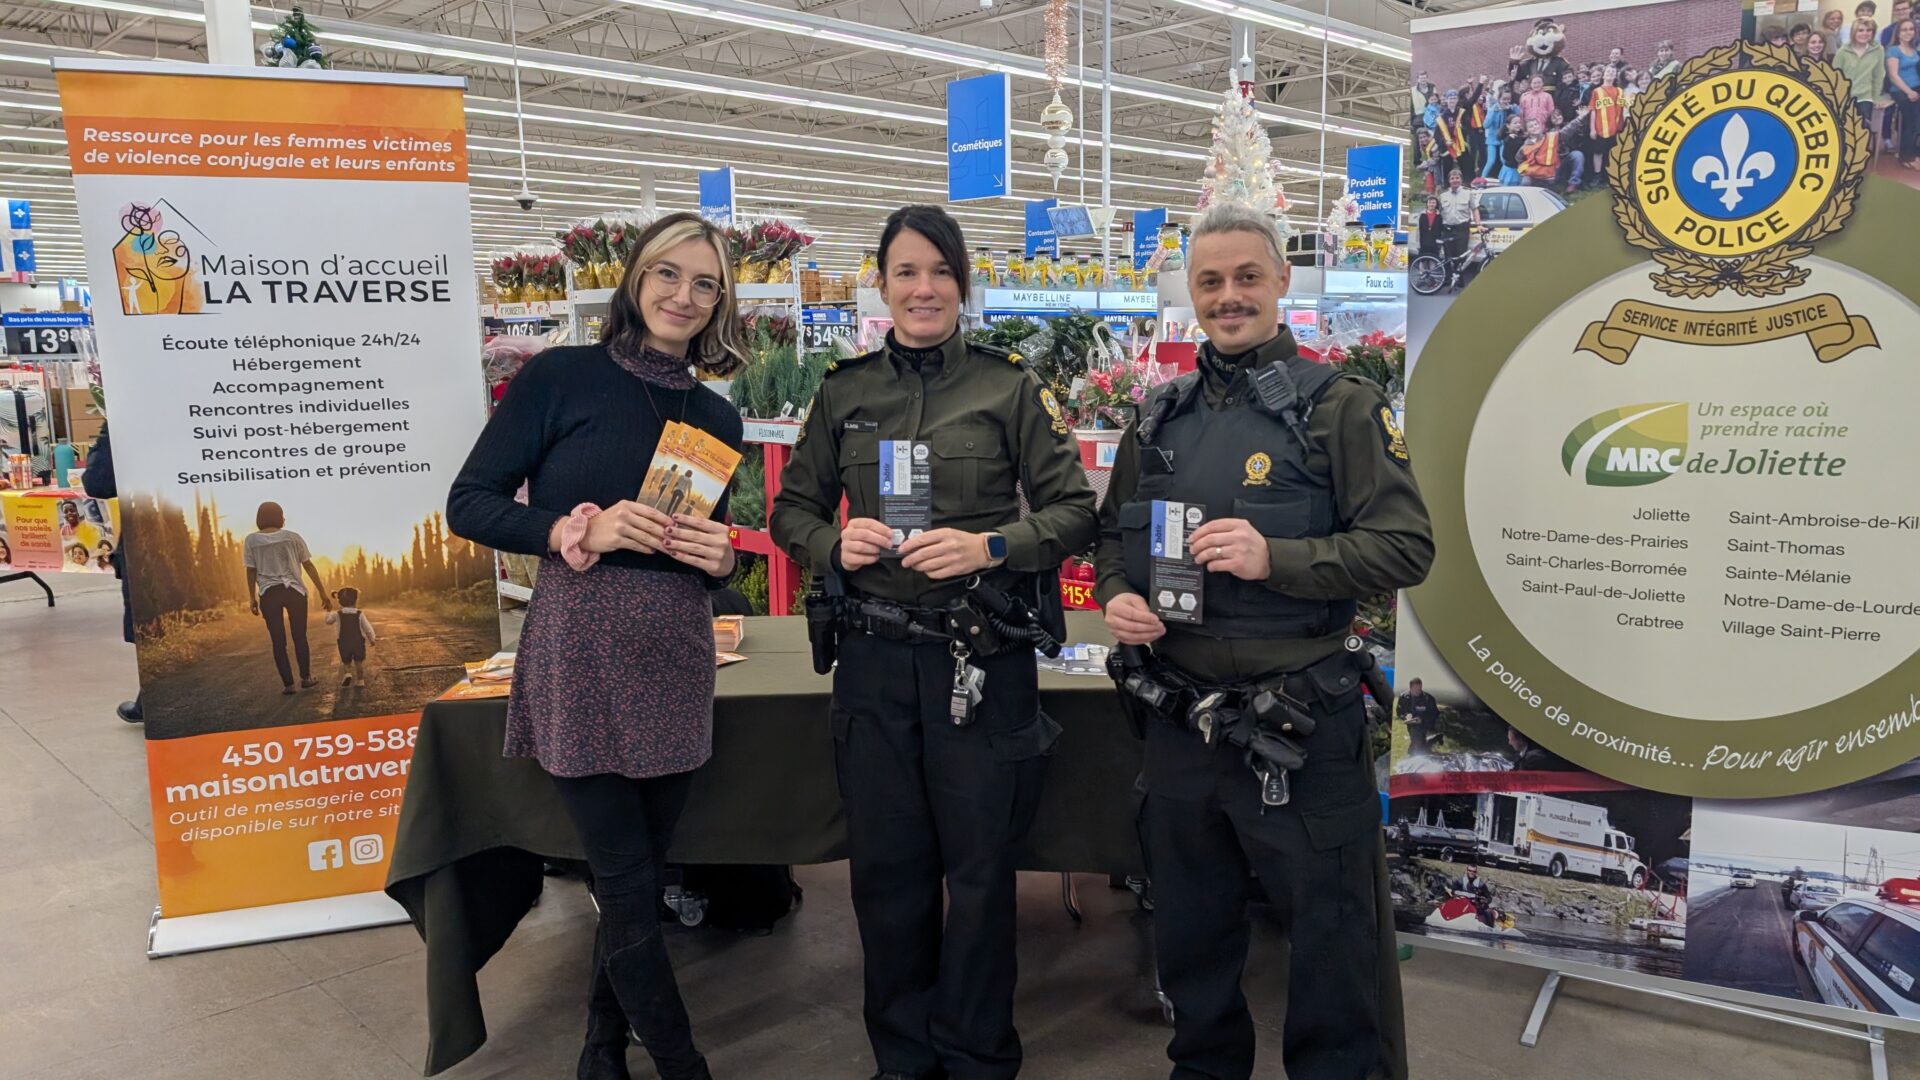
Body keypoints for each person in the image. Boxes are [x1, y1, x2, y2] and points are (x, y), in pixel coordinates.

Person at [1096, 203, 1432, 1080]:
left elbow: (1405, 547)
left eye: (1248, 276)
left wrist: (1272, 556)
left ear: (1284, 280)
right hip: (1180, 727)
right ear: (1191, 293)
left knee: (1330, 952)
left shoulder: (1340, 409)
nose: (1229, 296)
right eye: (1211, 281)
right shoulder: (1157, 417)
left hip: (1300, 730)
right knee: (1192, 940)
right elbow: (1108, 538)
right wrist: (1121, 594)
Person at [771, 204, 1097, 1080]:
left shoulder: (1010, 387)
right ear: (880, 285)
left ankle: (981, 1054)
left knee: (984, 877)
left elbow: (1074, 511)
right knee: (888, 876)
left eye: (941, 272)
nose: (924, 288)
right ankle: (904, 1059)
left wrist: (992, 545)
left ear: (963, 284)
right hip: (874, 666)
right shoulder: (844, 392)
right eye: (906, 272)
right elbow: (791, 508)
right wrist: (828, 543)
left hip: (981, 659)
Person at [448, 212, 746, 1080]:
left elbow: (706, 548)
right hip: (579, 656)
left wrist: (722, 554)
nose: (682, 296)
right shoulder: (561, 378)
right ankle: (684, 1064)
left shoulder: (716, 416)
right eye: (667, 274)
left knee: (641, 878)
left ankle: (601, 1044)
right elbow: (470, 503)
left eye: (703, 283)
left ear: (720, 300)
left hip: (676, 659)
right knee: (621, 877)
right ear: (633, 278)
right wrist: (574, 528)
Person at [81, 420, 141, 723]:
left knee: (152, 617)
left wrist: (109, 431)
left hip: (151, 531)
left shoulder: (128, 410)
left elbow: (99, 481)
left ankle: (156, 700)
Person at [244, 501, 332, 695]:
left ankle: (289, 685)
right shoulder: (293, 537)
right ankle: (306, 678)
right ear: (280, 517)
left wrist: (252, 598)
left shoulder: (251, 540)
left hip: (269, 592)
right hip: (295, 591)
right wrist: (323, 592)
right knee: (299, 636)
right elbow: (308, 565)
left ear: (260, 518)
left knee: (278, 640)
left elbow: (251, 571)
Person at [1836, 18, 1887, 143]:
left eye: (1869, 30)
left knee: (1861, 132)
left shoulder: (1878, 50)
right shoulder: (1842, 51)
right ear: (1854, 32)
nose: (1865, 33)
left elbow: (1878, 75)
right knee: (1842, 132)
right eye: (1861, 30)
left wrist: (1875, 97)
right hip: (1844, 97)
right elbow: (1835, 76)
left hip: (1865, 96)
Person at [324, 585, 377, 687]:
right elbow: (367, 628)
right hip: (358, 642)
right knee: (358, 662)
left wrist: (328, 611)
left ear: (340, 601)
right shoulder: (359, 613)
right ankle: (360, 681)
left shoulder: (338, 614)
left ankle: (348, 673)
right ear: (355, 600)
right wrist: (372, 639)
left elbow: (328, 621)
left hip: (344, 642)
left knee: (346, 662)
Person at [1587, 65, 1627, 182]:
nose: (1610, 73)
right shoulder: (1597, 91)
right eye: (1608, 71)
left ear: (1615, 76)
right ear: (1603, 75)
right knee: (1598, 152)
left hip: (1616, 128)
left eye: (1613, 72)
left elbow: (1624, 109)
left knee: (1612, 153)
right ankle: (1597, 175)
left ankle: (1609, 176)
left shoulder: (1620, 91)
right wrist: (1592, 129)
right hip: (1601, 128)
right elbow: (1593, 110)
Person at [1436, 169, 1480, 263]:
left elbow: (1475, 209)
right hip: (1447, 230)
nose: (1455, 180)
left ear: (1461, 180)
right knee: (1447, 258)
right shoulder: (1443, 195)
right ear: (1449, 181)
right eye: (1452, 178)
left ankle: (1458, 277)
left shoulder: (1468, 193)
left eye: (1457, 178)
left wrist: (1478, 224)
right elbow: (1437, 212)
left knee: (1461, 257)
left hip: (1461, 230)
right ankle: (1447, 277)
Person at [1397, 677, 1441, 758]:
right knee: (1417, 737)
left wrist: (1422, 719)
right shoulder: (1403, 697)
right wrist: (1406, 716)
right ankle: (1420, 749)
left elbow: (1435, 714)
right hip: (1412, 723)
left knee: (1419, 740)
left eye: (1419, 689)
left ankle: (1414, 753)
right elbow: (1399, 712)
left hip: (1427, 723)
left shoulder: (1428, 698)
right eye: (1415, 689)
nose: (1418, 691)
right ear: (1410, 688)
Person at [1481, 83, 1515, 180]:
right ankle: (1482, 178)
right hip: (1492, 139)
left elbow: (1517, 116)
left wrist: (1513, 109)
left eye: (1508, 99)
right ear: (1499, 99)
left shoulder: (1510, 109)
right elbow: (1485, 125)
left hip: (1503, 139)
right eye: (1504, 99)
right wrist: (1492, 112)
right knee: (1491, 161)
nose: (1506, 101)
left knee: (1503, 159)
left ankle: (1504, 178)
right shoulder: (1493, 108)